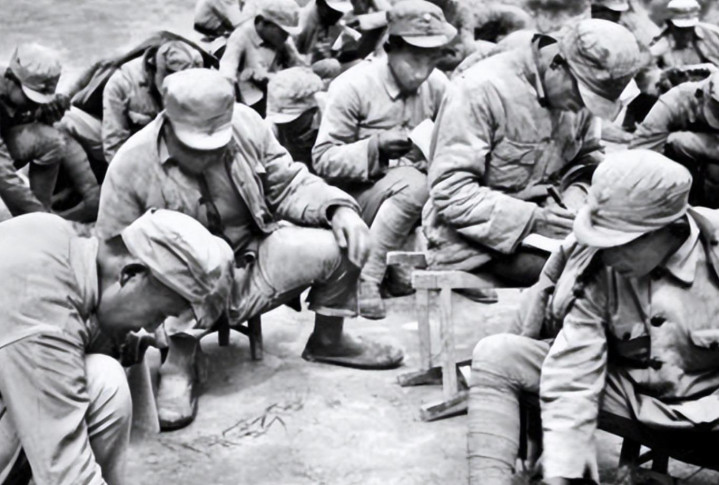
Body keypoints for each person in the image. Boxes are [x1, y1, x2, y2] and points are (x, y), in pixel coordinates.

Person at [96, 68, 404, 430]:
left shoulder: (247, 125)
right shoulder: (130, 164)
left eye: (217, 146)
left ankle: (328, 339)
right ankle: (178, 365)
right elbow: (114, 260)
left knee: (342, 244)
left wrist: (338, 209)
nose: (208, 157)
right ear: (169, 125)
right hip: (180, 292)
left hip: (253, 256)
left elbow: (288, 184)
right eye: (196, 148)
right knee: (189, 268)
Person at [468, 149, 719, 485]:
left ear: (671, 229)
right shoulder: (597, 263)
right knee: (498, 355)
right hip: (629, 397)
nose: (608, 255)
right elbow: (574, 367)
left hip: (711, 416)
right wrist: (564, 461)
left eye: (620, 242)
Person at [0, 208, 235, 485]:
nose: (154, 328)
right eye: (159, 314)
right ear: (130, 274)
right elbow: (66, 474)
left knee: (113, 365)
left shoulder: (53, 235)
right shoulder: (45, 322)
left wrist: (124, 343)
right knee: (105, 383)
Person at [425, 19, 641, 286]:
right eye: (582, 96)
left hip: (549, 230)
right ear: (557, 64)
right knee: (581, 276)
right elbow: (451, 192)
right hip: (472, 244)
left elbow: (587, 160)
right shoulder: (480, 89)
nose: (581, 109)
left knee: (631, 255)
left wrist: (574, 200)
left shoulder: (580, 93)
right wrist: (532, 219)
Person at [313, 0, 455, 319]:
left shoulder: (437, 85)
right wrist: (373, 147)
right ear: (390, 48)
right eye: (414, 60)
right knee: (416, 185)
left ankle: (449, 264)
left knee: (449, 179)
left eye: (431, 60)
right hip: (356, 198)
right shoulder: (352, 86)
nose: (422, 72)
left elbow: (453, 142)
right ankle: (367, 276)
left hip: (413, 202)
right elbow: (323, 160)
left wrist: (434, 158)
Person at [0, 43, 99, 220]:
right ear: (10, 78)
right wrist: (39, 217)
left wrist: (45, 114)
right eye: (31, 98)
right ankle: (36, 220)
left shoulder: (18, 95)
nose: (35, 104)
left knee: (50, 140)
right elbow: (3, 175)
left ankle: (38, 214)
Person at [102, 40, 203, 163]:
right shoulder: (121, 83)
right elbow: (114, 147)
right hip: (139, 156)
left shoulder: (199, 71)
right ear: (153, 68)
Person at [631, 70, 719, 207]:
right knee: (675, 143)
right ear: (702, 95)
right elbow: (640, 153)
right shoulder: (676, 100)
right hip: (677, 169)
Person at [219, 0, 305, 116]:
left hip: (276, 89)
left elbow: (299, 65)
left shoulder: (284, 40)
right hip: (252, 97)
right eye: (282, 32)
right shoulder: (242, 35)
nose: (286, 37)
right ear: (261, 22)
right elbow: (227, 70)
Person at [266, 66, 325, 168]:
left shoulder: (331, 114)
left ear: (312, 109)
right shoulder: (269, 129)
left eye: (295, 119)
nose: (287, 125)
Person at [651, 0, 719, 71]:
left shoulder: (712, 35)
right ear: (670, 24)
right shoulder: (659, 44)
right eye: (681, 29)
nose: (686, 33)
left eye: (690, 28)